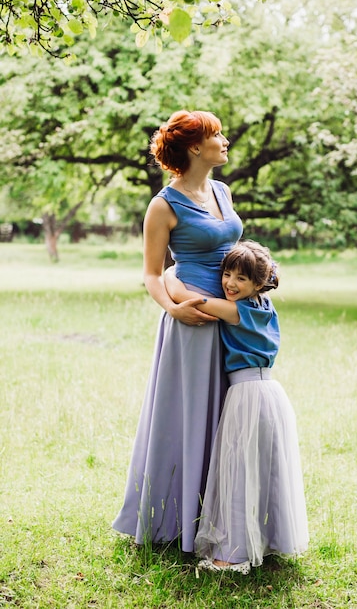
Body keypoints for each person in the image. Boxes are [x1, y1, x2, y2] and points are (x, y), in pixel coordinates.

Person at [112, 110, 243, 553]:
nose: (225, 141)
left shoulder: (222, 190)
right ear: (194, 147)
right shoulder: (163, 204)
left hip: (233, 313)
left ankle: (226, 518)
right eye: (216, 135)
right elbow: (152, 273)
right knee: (188, 416)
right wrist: (174, 308)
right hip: (192, 321)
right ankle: (177, 524)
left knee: (233, 411)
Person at [165, 240, 309, 573]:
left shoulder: (237, 310)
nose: (230, 283)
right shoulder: (265, 306)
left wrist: (171, 275)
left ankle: (231, 554)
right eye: (227, 274)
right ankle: (268, 539)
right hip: (270, 394)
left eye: (240, 278)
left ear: (259, 283)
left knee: (239, 471)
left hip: (246, 396)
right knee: (262, 471)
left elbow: (195, 301)